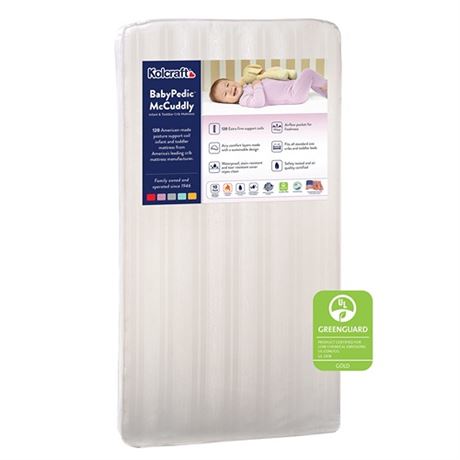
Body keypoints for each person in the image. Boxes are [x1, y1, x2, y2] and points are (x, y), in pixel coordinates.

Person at [209, 68, 327, 108]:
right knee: (308, 73)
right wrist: (257, 85)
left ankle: (326, 93)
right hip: (293, 95)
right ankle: (330, 87)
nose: (229, 89)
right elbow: (258, 102)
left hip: (292, 86)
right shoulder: (243, 100)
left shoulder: (246, 86)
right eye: (225, 94)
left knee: (310, 80)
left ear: (232, 80)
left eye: (227, 84)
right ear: (228, 103)